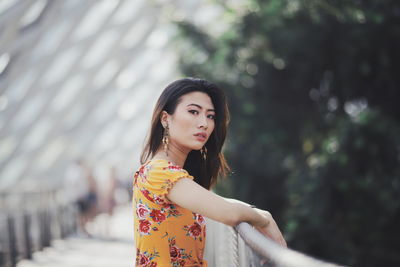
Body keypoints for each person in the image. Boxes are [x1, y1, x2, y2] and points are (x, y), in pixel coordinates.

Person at [133, 78, 286, 266]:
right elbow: (227, 212)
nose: (204, 123)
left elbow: (216, 202)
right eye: (193, 112)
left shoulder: (167, 173)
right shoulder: (160, 172)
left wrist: (254, 211)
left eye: (210, 116)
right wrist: (264, 219)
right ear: (165, 119)